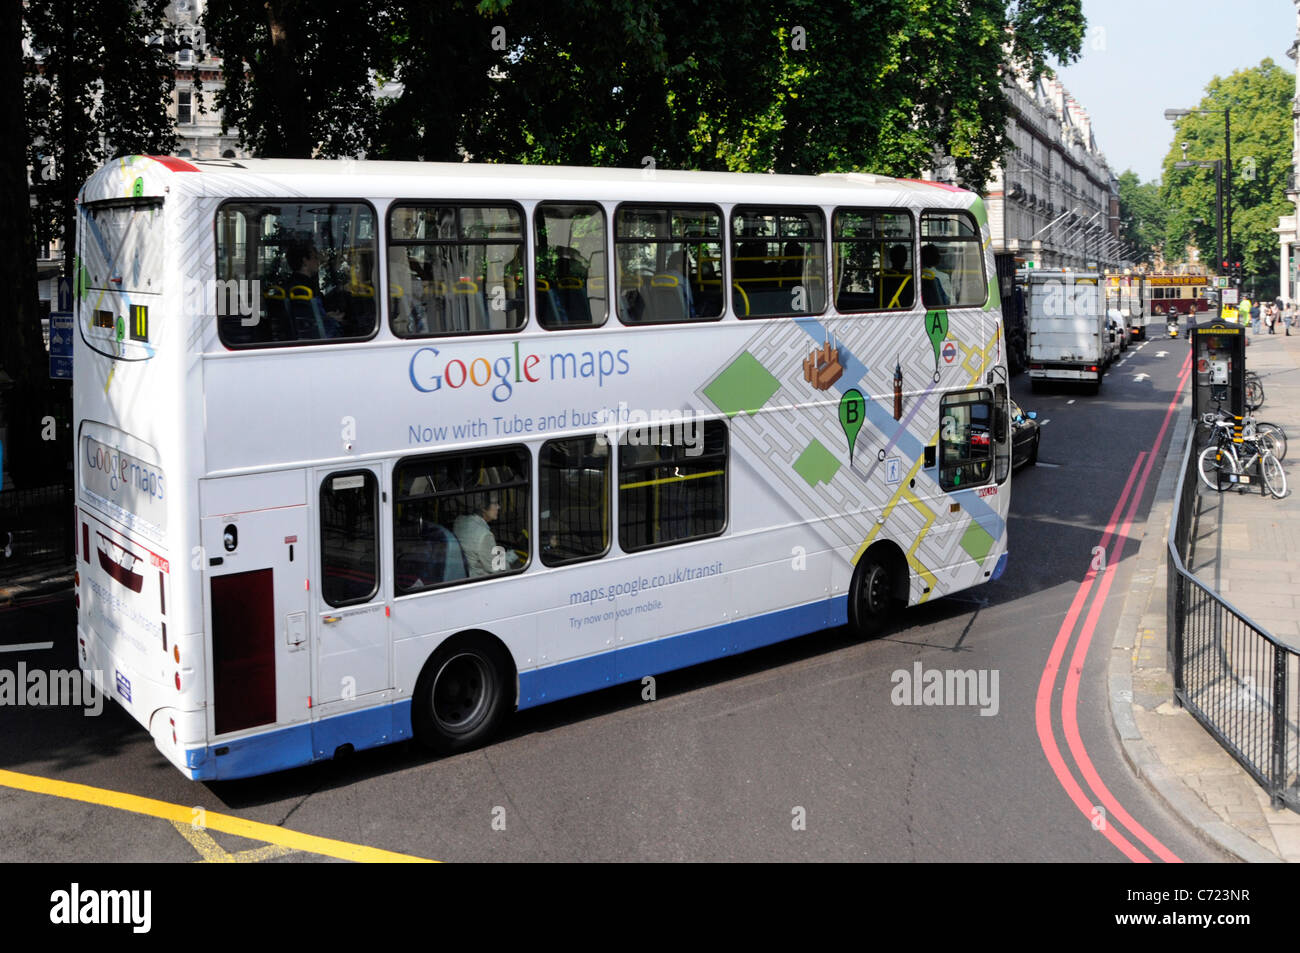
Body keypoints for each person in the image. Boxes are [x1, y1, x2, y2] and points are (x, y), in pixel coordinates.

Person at [286, 240, 343, 339]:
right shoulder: (304, 290)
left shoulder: (292, 285)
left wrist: (327, 315)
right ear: (305, 262)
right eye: (315, 258)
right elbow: (312, 323)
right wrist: (330, 318)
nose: (318, 261)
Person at [453, 492, 520, 577]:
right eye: (495, 503)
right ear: (483, 508)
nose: (498, 507)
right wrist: (508, 559)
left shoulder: (459, 521)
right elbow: (496, 569)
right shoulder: (485, 536)